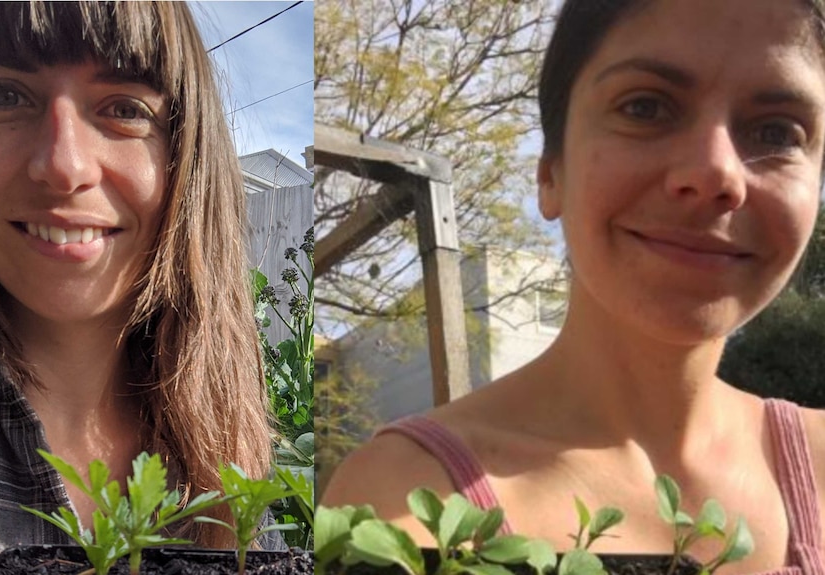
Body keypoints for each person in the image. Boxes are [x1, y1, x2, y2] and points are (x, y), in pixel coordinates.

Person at [322, 0, 825, 572]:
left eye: (778, 131)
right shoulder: (400, 505)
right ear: (549, 173)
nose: (715, 174)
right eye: (646, 106)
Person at [0, 2, 281, 570]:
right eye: (3, 95)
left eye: (125, 108)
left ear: (187, 155)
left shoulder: (234, 448)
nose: (63, 166)